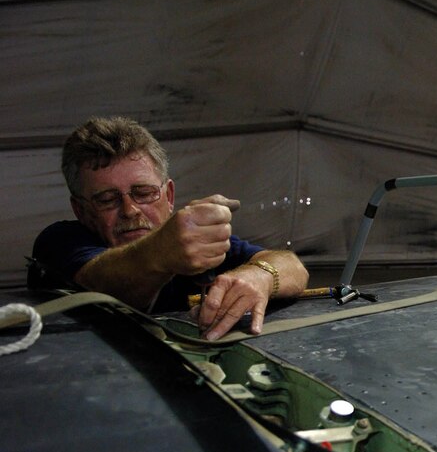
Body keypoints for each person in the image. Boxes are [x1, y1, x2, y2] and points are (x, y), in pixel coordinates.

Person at [31, 116, 308, 340]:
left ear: (170, 196)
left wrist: (259, 276)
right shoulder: (59, 243)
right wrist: (163, 251)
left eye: (144, 193)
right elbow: (102, 282)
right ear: (80, 210)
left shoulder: (190, 241)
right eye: (107, 199)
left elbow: (293, 267)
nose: (130, 210)